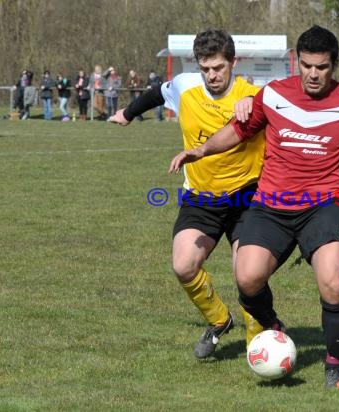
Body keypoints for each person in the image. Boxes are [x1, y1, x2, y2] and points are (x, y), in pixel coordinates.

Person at [168, 25, 339, 389]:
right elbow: (239, 130)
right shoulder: (274, 94)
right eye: (307, 65)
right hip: (271, 204)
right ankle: (274, 327)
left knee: (332, 283)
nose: (314, 74)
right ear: (298, 62)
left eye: (322, 67)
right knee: (247, 277)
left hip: (324, 205)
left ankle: (334, 363)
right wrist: (201, 150)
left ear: (334, 65)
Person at [108, 28, 264, 358]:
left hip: (246, 196)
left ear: (233, 62)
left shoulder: (253, 97)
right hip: (200, 197)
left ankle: (259, 335)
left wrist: (255, 102)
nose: (212, 76)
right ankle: (220, 320)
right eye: (205, 69)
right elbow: (156, 93)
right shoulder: (185, 86)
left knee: (247, 273)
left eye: (219, 68)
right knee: (183, 266)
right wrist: (127, 113)